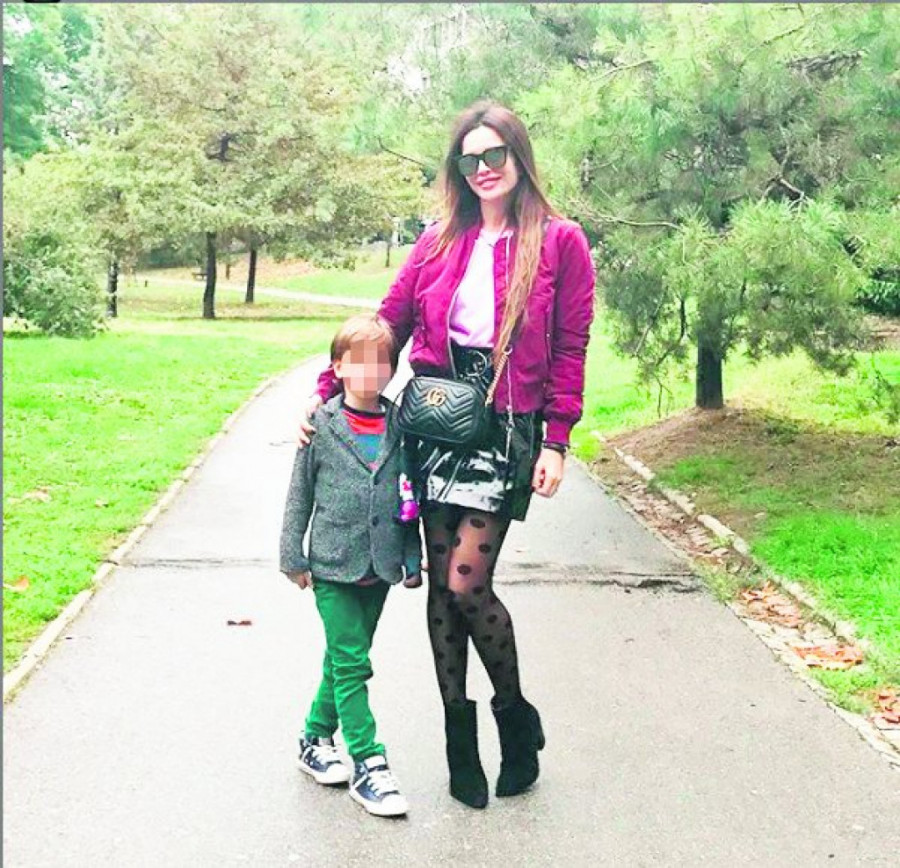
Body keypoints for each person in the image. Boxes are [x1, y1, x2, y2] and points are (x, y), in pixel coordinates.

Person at [298, 101, 596, 809]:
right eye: (470, 159)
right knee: (440, 591)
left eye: (495, 155)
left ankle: (514, 723)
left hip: (506, 427)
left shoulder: (559, 242)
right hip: (433, 425)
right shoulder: (438, 240)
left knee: (466, 585)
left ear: (518, 157)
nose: (484, 169)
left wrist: (558, 440)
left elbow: (570, 347)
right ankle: (460, 745)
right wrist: (325, 395)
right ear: (458, 169)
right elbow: (389, 322)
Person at [280, 313, 423, 818]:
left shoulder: (400, 426)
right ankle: (369, 762)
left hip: (378, 568)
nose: (370, 373)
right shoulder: (320, 425)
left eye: (381, 363)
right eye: (358, 363)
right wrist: (292, 555)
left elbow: (408, 496)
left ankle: (314, 738)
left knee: (342, 660)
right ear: (337, 367)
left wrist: (411, 557)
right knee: (352, 663)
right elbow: (299, 495)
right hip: (332, 566)